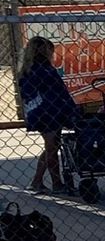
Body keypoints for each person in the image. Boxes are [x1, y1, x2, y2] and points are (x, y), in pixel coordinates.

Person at [16, 36, 79, 195]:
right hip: (48, 112)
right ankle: (56, 183)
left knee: (52, 146)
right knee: (52, 147)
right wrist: (70, 109)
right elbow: (58, 91)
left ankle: (37, 181)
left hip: (43, 111)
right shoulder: (42, 70)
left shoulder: (31, 69)